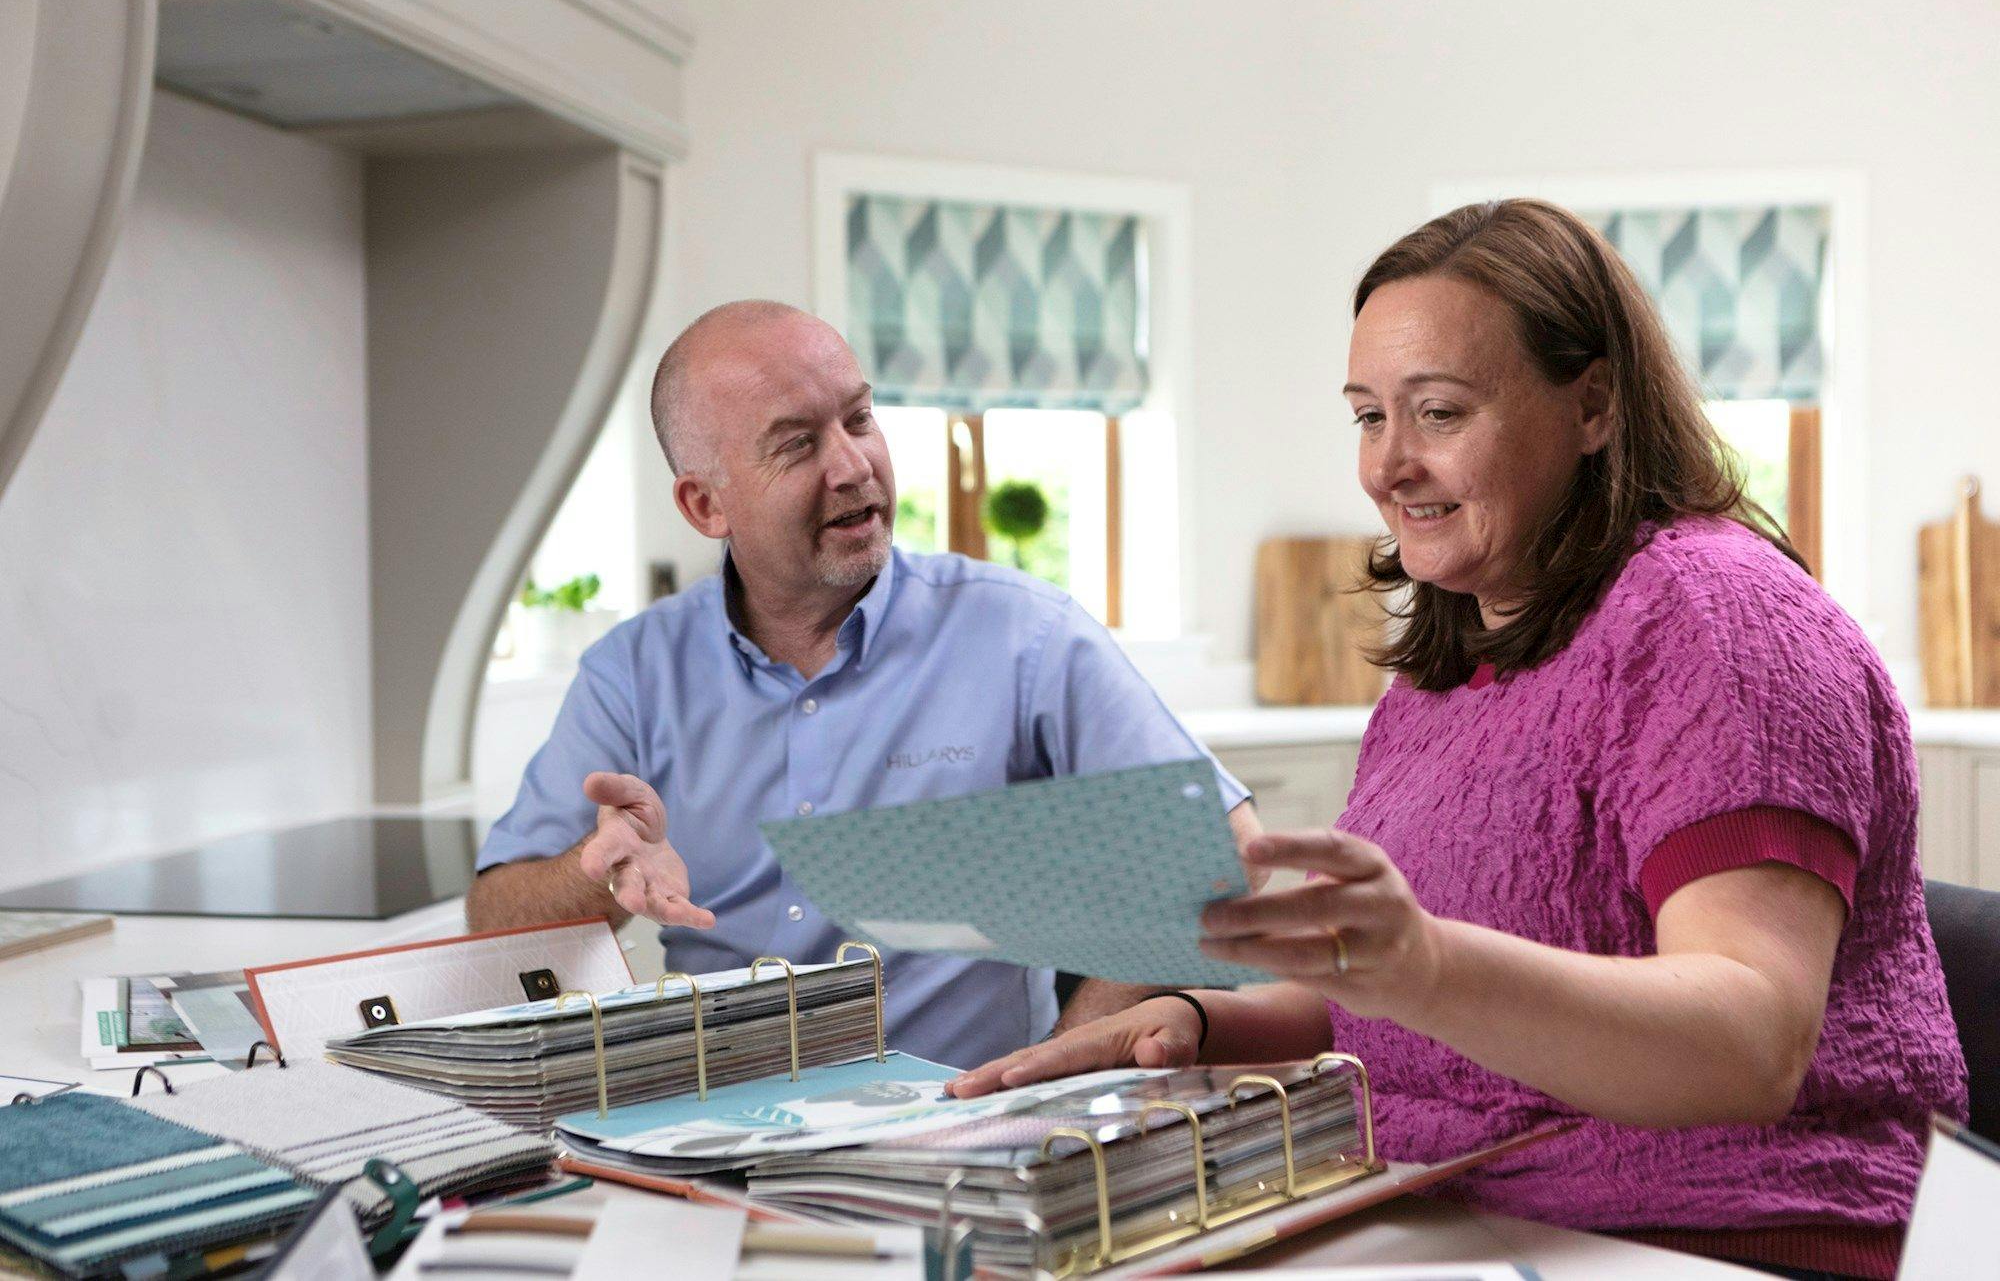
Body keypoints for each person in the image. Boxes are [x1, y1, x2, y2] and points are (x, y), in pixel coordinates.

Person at [947, 201, 1967, 1280]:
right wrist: (1191, 1020)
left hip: (1725, 1237)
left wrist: (1422, 961)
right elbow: (1393, 998)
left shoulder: (1717, 623)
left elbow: (1747, 1040)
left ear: (1592, 404)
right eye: (1364, 416)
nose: (1387, 465)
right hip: (1462, 1220)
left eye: (1436, 412)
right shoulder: (1453, 663)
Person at [467, 299, 1256, 1070]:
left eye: (860, 419)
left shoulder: (1023, 635)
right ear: (706, 504)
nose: (852, 466)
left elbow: (1225, 849)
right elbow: (494, 919)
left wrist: (1057, 1062)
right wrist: (593, 870)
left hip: (958, 1145)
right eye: (797, 444)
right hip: (717, 1137)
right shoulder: (633, 674)